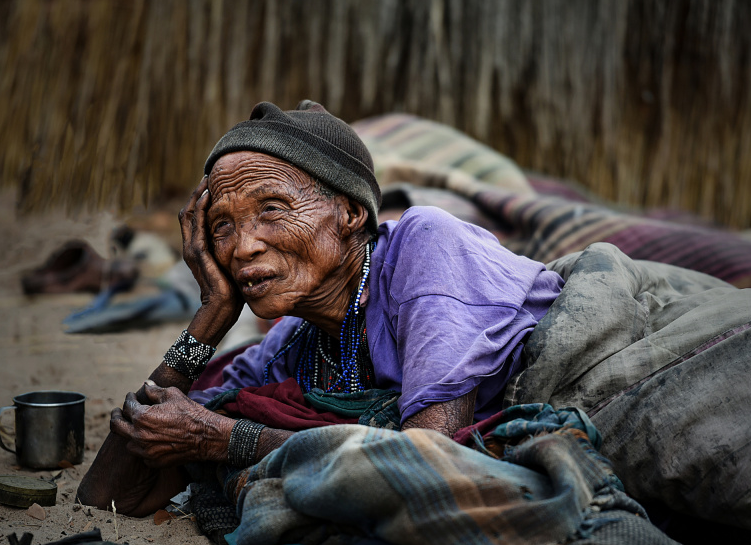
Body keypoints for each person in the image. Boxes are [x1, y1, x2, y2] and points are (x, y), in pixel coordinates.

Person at [77, 100, 565, 516]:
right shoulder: (294, 343)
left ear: (350, 213)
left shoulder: (426, 247)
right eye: (221, 226)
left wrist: (230, 440)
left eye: (271, 208)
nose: (243, 247)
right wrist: (212, 316)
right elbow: (108, 496)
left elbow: (430, 463)